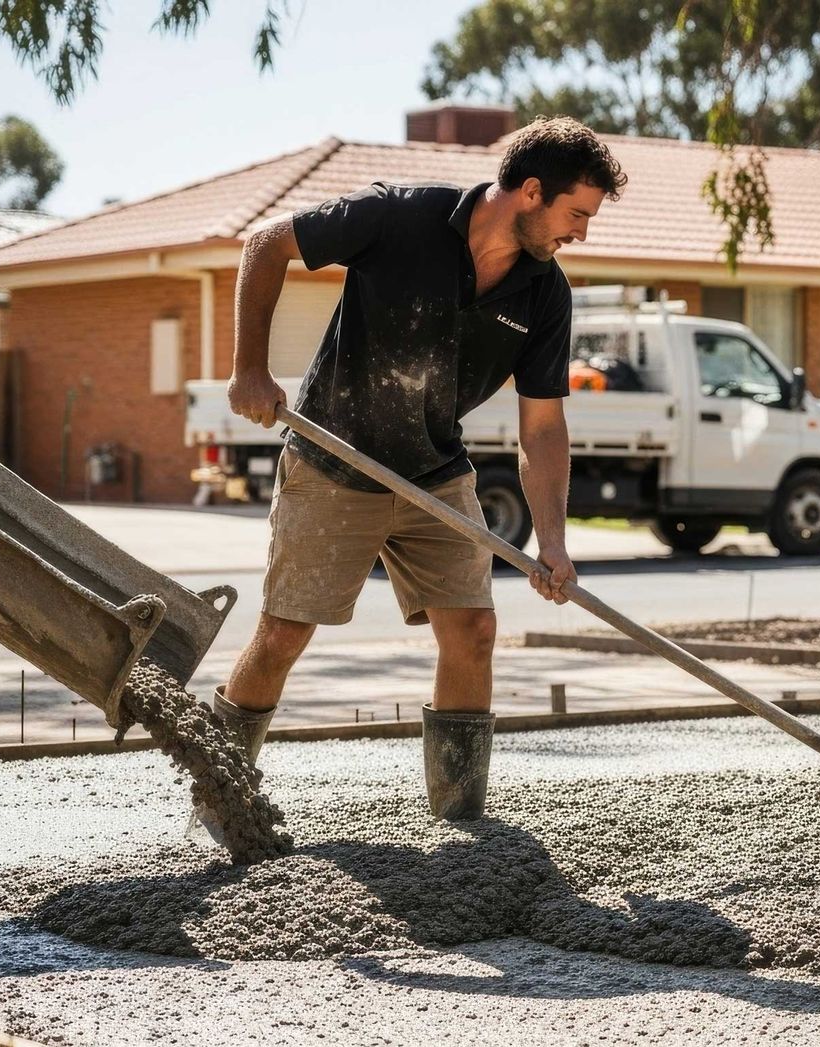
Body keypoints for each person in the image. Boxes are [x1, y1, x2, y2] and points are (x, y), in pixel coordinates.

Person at [192, 117, 626, 835]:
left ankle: (460, 824)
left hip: (434, 473)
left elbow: (542, 427)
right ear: (529, 191)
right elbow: (267, 244)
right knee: (282, 635)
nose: (580, 233)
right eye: (576, 214)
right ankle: (218, 790)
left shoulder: (544, 293)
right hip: (334, 458)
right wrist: (249, 368)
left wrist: (553, 543)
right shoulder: (399, 217)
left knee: (474, 631)